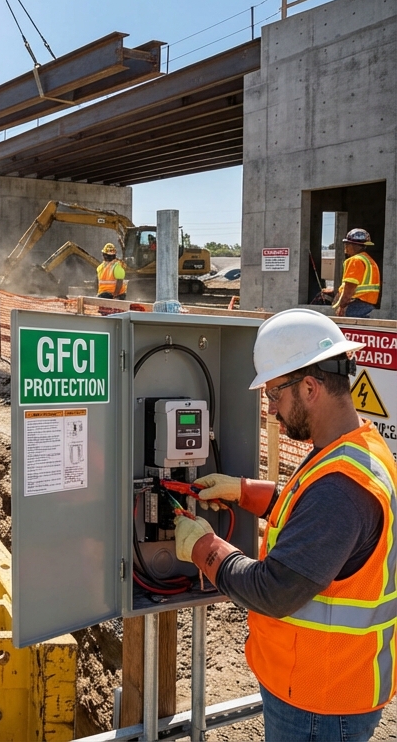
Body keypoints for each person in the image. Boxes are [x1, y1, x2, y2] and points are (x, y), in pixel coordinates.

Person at [173, 309, 397, 740]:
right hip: (322, 690)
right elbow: (312, 522)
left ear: (310, 387)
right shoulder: (353, 447)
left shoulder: (341, 489)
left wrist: (204, 548)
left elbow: (273, 590)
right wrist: (245, 491)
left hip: (321, 704)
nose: (272, 409)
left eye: (275, 394)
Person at [333, 228, 381, 318]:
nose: (345, 246)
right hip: (368, 306)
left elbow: (349, 288)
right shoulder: (370, 261)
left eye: (347, 244)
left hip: (355, 306)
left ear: (353, 246)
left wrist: (342, 306)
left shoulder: (355, 260)